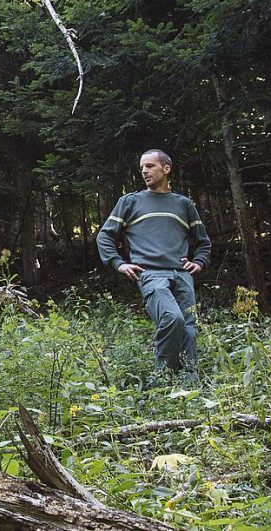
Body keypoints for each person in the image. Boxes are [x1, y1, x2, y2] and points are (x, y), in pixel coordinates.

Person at [96, 149, 212, 380]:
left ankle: (191, 384)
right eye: (142, 168)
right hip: (150, 274)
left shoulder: (184, 204)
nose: (144, 171)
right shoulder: (129, 202)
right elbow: (104, 237)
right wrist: (119, 264)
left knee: (188, 329)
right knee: (172, 318)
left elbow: (203, 242)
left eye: (150, 166)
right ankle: (163, 379)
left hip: (182, 275)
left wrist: (198, 262)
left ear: (166, 169)